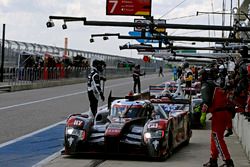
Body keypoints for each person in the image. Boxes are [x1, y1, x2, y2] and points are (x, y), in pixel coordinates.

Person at [200, 66, 234, 167]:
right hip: (225, 114)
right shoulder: (217, 84)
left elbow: (206, 101)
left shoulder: (206, 85)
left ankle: (228, 162)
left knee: (218, 139)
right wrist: (229, 126)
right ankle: (213, 160)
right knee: (214, 137)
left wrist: (202, 114)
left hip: (219, 115)